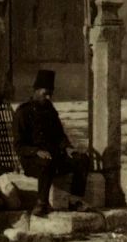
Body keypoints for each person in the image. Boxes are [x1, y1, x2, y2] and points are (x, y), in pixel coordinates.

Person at [10, 70, 77, 210]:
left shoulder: (50, 110)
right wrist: (36, 151)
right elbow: (18, 146)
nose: (48, 97)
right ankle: (41, 203)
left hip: (54, 156)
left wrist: (67, 147)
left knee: (81, 159)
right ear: (36, 91)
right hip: (32, 160)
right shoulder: (23, 112)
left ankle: (75, 200)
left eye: (50, 94)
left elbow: (60, 135)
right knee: (46, 162)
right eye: (45, 93)